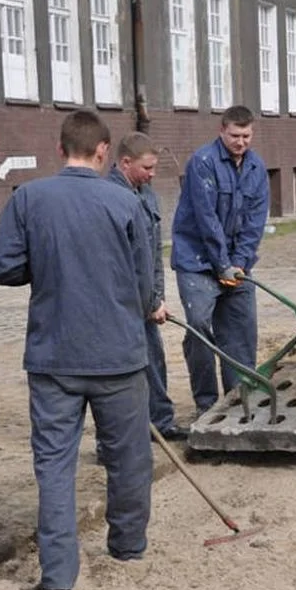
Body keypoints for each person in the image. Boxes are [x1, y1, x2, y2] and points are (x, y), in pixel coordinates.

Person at [0, 110, 156, 590]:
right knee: (128, 459)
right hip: (119, 355)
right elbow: (144, 285)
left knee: (55, 467)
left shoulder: (30, 199)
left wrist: (45, 268)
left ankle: (58, 578)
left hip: (54, 356)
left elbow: (1, 267)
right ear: (104, 151)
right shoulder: (124, 202)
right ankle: (127, 546)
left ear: (61, 150)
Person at [171, 106, 269, 418]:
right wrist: (221, 263)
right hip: (198, 261)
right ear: (222, 131)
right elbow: (206, 220)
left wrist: (238, 264)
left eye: (246, 136)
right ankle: (206, 403)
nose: (241, 142)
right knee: (200, 326)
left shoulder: (257, 168)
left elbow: (255, 223)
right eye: (235, 135)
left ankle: (238, 397)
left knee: (241, 331)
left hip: (237, 264)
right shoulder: (203, 163)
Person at [107, 132, 186, 442]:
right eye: (147, 168)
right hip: (121, 304)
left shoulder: (147, 195)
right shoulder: (109, 197)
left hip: (147, 301)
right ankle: (114, 439)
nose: (152, 174)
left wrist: (157, 299)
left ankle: (161, 423)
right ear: (125, 162)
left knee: (154, 360)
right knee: (118, 375)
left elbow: (153, 255)